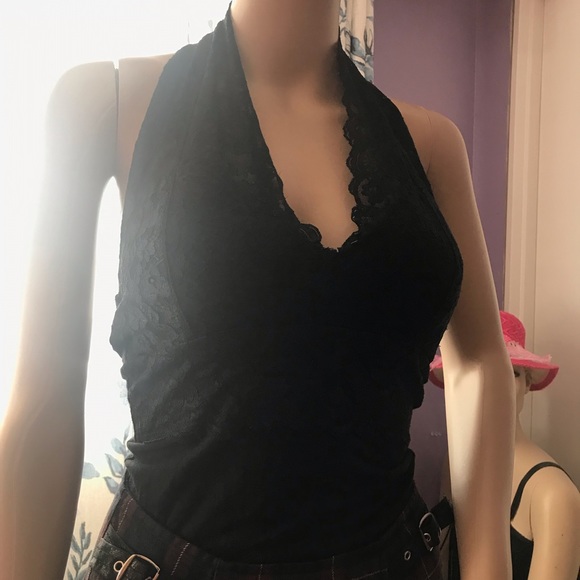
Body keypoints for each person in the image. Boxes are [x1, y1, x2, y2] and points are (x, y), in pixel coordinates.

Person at [0, 1, 516, 579]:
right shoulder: (109, 101)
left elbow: (479, 361)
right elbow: (45, 398)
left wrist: (488, 564)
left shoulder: (432, 145)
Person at [432, 310, 580, 580]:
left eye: (509, 372)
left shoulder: (553, 496)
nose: (490, 384)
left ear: (527, 383)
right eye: (469, 371)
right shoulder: (452, 464)